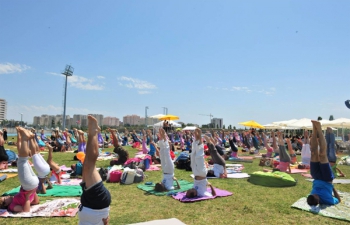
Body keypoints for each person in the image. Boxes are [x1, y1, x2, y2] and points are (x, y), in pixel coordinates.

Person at [78, 115, 111, 225]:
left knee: (86, 163)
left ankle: (92, 133)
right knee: (89, 165)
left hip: (88, 203)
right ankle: (93, 133)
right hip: (97, 204)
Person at [0, 127, 40, 212]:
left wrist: (32, 192)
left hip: (32, 185)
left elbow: (36, 202)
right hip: (30, 186)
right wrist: (27, 197)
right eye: (4, 199)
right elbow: (25, 211)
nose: (6, 196)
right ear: (5, 204)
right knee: (22, 160)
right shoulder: (12, 206)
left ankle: (25, 136)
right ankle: (26, 138)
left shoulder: (15, 199)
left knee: (22, 157)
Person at [307, 120, 341, 206]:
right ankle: (319, 128)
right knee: (322, 154)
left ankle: (314, 128)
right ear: (318, 201)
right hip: (326, 179)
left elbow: (311, 197)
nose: (315, 194)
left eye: (313, 194)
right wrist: (333, 188)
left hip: (316, 176)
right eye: (315, 196)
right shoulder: (327, 200)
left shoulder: (310, 198)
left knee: (313, 153)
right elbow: (338, 200)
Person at [186, 128, 216, 198]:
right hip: (202, 173)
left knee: (193, 155)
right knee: (199, 157)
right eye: (191, 190)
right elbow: (213, 195)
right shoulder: (202, 193)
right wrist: (211, 185)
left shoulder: (194, 190)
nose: (191, 188)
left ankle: (196, 139)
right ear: (194, 194)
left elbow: (188, 193)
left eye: (189, 189)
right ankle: (199, 138)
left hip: (195, 173)